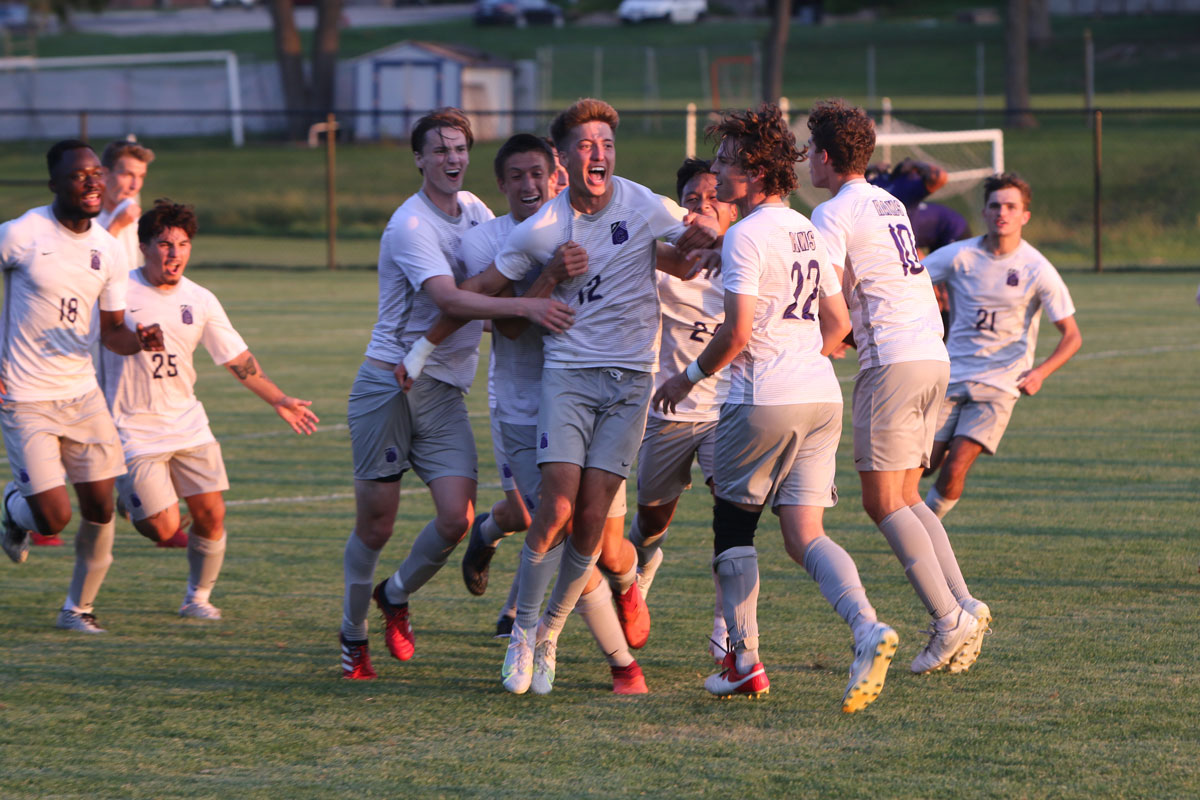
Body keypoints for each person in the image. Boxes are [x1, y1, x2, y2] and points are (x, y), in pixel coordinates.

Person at [466, 97, 717, 695]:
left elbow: (690, 240)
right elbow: (481, 295)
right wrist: (547, 277)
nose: (599, 153)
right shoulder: (543, 229)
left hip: (632, 382)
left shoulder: (642, 201)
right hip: (569, 377)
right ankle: (524, 633)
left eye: (606, 142)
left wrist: (709, 232)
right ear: (564, 159)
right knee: (553, 510)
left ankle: (550, 632)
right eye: (586, 144)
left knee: (591, 525)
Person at [654, 104, 897, 712]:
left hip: (763, 396)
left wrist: (685, 379)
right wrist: (798, 357)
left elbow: (735, 335)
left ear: (758, 172)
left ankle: (743, 663)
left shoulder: (744, 234)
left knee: (733, 528)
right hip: (820, 394)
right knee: (804, 533)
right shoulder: (811, 228)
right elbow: (838, 323)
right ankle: (868, 628)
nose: (718, 171)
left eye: (729, 162)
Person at [401, 132, 649, 693]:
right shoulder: (492, 240)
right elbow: (506, 322)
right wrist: (550, 276)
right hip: (524, 406)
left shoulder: (593, 222)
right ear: (502, 184)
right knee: (556, 526)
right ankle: (611, 661)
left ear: (556, 174)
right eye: (517, 176)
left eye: (539, 173)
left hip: (598, 396)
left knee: (605, 543)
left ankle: (612, 571)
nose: (530, 185)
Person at [337, 108, 573, 680]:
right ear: (418, 158)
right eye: (439, 150)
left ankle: (394, 595)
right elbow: (452, 299)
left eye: (459, 148)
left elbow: (505, 266)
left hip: (443, 390)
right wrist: (528, 305)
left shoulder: (475, 211)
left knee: (455, 519)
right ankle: (353, 635)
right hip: (390, 383)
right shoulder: (410, 226)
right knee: (376, 525)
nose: (451, 159)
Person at [807, 98, 988, 676]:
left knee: (882, 500)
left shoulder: (832, 212)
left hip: (894, 361)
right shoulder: (887, 201)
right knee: (908, 495)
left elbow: (829, 305)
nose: (807, 159)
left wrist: (811, 337)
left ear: (828, 157)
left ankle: (946, 619)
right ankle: (963, 603)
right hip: (931, 354)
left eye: (811, 149)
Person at [99, 199, 320, 620]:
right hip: (132, 427)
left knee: (211, 514)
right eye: (164, 244)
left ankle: (197, 598)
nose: (174, 253)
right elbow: (106, 339)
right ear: (144, 246)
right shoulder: (117, 293)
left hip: (187, 422)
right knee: (163, 528)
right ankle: (133, 498)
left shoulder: (200, 299)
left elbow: (237, 358)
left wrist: (279, 398)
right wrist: (136, 340)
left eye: (182, 244)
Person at [0, 140, 164, 633]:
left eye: (96, 173)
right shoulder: (22, 234)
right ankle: (12, 512)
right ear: (54, 184)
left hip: (82, 394)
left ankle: (78, 609)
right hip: (24, 396)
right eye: (79, 175)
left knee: (99, 505)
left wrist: (140, 340)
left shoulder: (109, 249)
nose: (92, 181)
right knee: (52, 518)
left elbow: (112, 330)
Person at [627, 156, 736, 662]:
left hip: (725, 412)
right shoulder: (660, 264)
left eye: (715, 197)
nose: (703, 205)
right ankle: (642, 566)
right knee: (651, 521)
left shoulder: (748, 260)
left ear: (734, 207)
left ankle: (727, 626)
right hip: (667, 413)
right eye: (693, 198)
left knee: (731, 517)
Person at [923, 173, 1081, 519]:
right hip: (952, 376)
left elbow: (1072, 334)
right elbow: (909, 281)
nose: (1002, 213)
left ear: (1025, 215)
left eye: (1011, 206)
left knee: (954, 470)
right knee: (921, 466)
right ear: (984, 211)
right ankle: (910, 523)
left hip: (999, 385)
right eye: (995, 205)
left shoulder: (1037, 268)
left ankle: (923, 528)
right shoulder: (958, 256)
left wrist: (1041, 372)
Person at [98, 139, 154, 272]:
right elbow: (93, 268)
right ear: (105, 174)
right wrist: (116, 227)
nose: (135, 185)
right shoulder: (84, 218)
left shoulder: (131, 212)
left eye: (141, 176)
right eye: (128, 175)